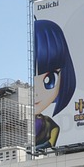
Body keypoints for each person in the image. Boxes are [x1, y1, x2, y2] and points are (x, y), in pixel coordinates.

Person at [32, 18, 76, 149]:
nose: (37, 93)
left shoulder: (47, 122)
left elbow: (55, 130)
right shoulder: (23, 123)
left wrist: (49, 144)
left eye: (49, 80)